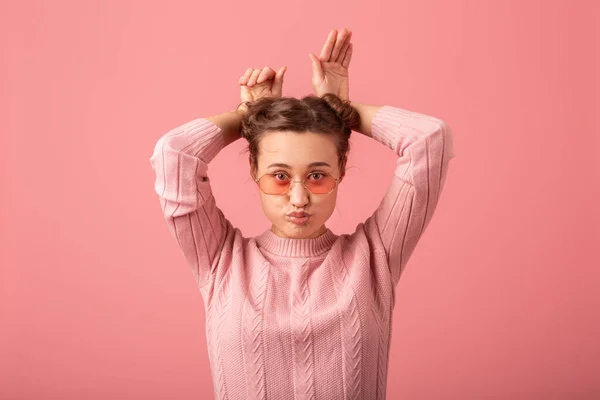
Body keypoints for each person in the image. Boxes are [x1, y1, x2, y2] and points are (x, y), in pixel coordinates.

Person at [150, 28, 455, 400]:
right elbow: (174, 154)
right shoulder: (221, 261)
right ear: (254, 173)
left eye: (317, 176)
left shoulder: (375, 256)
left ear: (340, 170)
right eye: (279, 176)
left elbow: (429, 139)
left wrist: (339, 108)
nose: (299, 198)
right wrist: (248, 116)